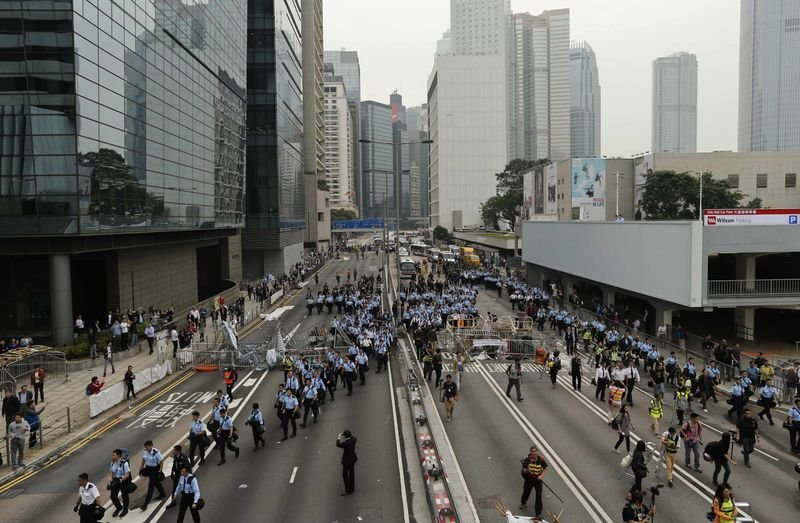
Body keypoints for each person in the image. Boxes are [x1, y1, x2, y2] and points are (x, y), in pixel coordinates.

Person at [519, 446, 548, 518]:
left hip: (538, 480)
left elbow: (545, 468)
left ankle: (538, 513)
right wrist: (525, 470)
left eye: (535, 451)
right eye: (532, 451)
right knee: (526, 492)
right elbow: (524, 470)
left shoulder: (540, 459)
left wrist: (541, 476)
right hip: (529, 480)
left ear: (537, 452)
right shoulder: (526, 460)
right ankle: (523, 502)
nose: (534, 453)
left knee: (539, 495)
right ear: (530, 452)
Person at [139, 440, 167, 510]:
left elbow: (161, 461)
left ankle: (145, 504)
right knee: (155, 482)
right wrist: (141, 468)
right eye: (145, 447)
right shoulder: (145, 451)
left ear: (151, 446)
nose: (146, 449)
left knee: (151, 485)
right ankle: (162, 492)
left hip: (155, 469)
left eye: (147, 447)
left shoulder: (156, 453)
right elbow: (143, 459)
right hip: (148, 468)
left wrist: (160, 471)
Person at [108, 449, 131, 517]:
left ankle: (125, 509)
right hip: (115, 480)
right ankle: (119, 507)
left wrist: (121, 480)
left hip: (123, 480)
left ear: (118, 455)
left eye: (114, 455)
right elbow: (112, 472)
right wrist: (110, 480)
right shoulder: (112, 463)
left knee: (124, 496)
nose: (112, 456)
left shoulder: (124, 463)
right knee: (113, 496)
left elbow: (127, 474)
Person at [336, 429, 358, 495]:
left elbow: (338, 444)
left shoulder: (346, 443)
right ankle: (352, 488)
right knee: (351, 473)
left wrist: (339, 437)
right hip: (353, 459)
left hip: (346, 461)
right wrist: (348, 435)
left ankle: (348, 489)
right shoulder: (354, 440)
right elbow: (353, 437)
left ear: (345, 436)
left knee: (345, 474)